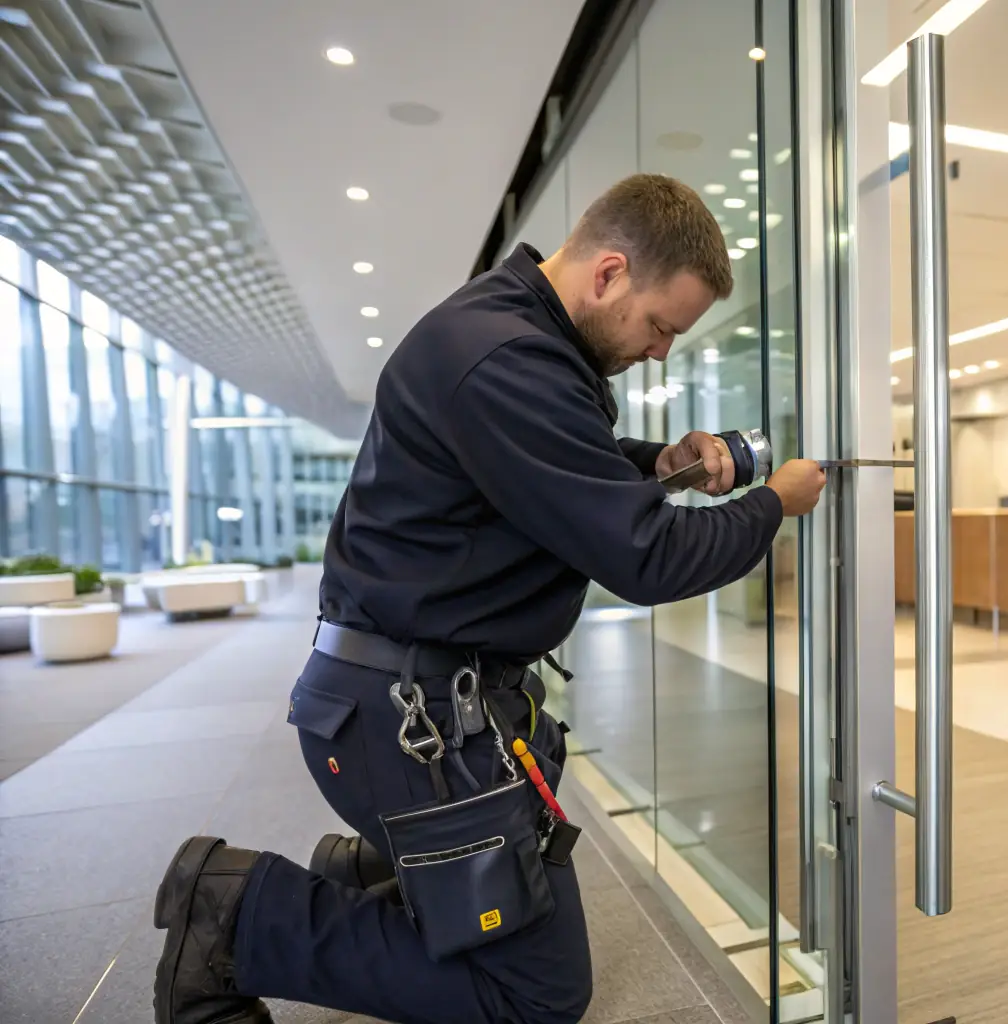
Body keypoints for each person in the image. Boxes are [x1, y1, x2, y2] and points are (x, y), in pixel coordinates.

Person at [150, 173, 827, 1024]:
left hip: (424, 702)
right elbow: (648, 561)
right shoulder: (505, 358)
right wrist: (773, 505)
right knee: (535, 998)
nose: (660, 351)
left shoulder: (518, 338)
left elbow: (537, 466)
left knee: (526, 940)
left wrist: (652, 463)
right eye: (660, 326)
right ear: (609, 273)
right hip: (408, 724)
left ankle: (377, 875)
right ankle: (239, 913)